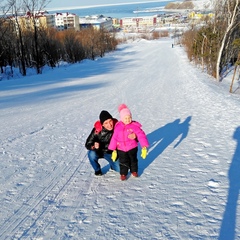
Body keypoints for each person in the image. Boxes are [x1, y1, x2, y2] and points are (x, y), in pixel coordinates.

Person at [108, 104, 149, 181]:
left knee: (133, 160)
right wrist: (113, 149)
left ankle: (134, 171)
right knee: (123, 161)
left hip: (132, 147)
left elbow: (141, 135)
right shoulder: (118, 127)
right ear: (122, 118)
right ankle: (123, 173)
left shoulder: (134, 126)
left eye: (129, 118)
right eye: (125, 118)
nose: (127, 120)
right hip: (121, 148)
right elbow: (114, 138)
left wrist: (144, 145)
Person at [85, 110, 120, 176]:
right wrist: (93, 146)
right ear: (102, 124)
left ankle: (112, 164)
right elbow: (88, 144)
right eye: (106, 123)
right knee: (91, 154)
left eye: (110, 121)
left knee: (119, 169)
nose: (109, 125)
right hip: (99, 151)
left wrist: (134, 137)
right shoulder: (97, 130)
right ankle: (97, 170)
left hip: (111, 153)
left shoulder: (118, 127)